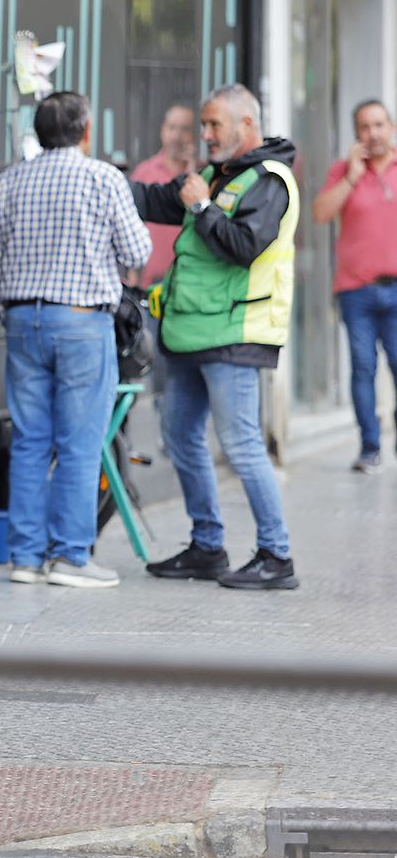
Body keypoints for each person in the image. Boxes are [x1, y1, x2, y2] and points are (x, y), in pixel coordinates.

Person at [0, 91, 151, 590]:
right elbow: (137, 248)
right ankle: (71, 557)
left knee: (31, 441)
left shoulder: (10, 180)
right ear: (86, 131)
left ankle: (25, 558)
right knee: (79, 443)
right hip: (81, 322)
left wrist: (11, 316)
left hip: (22, 322)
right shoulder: (102, 178)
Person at [131, 84, 300, 591]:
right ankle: (208, 546)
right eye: (203, 125)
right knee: (181, 435)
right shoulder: (211, 175)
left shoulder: (270, 181)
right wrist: (96, 175)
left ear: (246, 126)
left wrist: (204, 209)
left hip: (236, 333)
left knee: (243, 444)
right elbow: (157, 199)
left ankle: (277, 555)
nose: (204, 135)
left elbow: (244, 247)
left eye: (213, 125)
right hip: (190, 331)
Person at [310, 99, 397, 474]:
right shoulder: (343, 171)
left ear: (391, 127)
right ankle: (370, 448)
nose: (373, 133)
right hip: (355, 290)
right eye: (365, 126)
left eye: (379, 125)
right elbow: (320, 214)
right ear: (356, 133)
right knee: (363, 369)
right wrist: (350, 176)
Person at [128, 103, 197, 286]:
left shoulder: (201, 174)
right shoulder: (145, 172)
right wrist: (132, 274)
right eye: (172, 127)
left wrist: (192, 170)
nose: (176, 136)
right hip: (151, 279)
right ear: (162, 130)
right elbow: (131, 224)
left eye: (184, 129)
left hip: (190, 280)